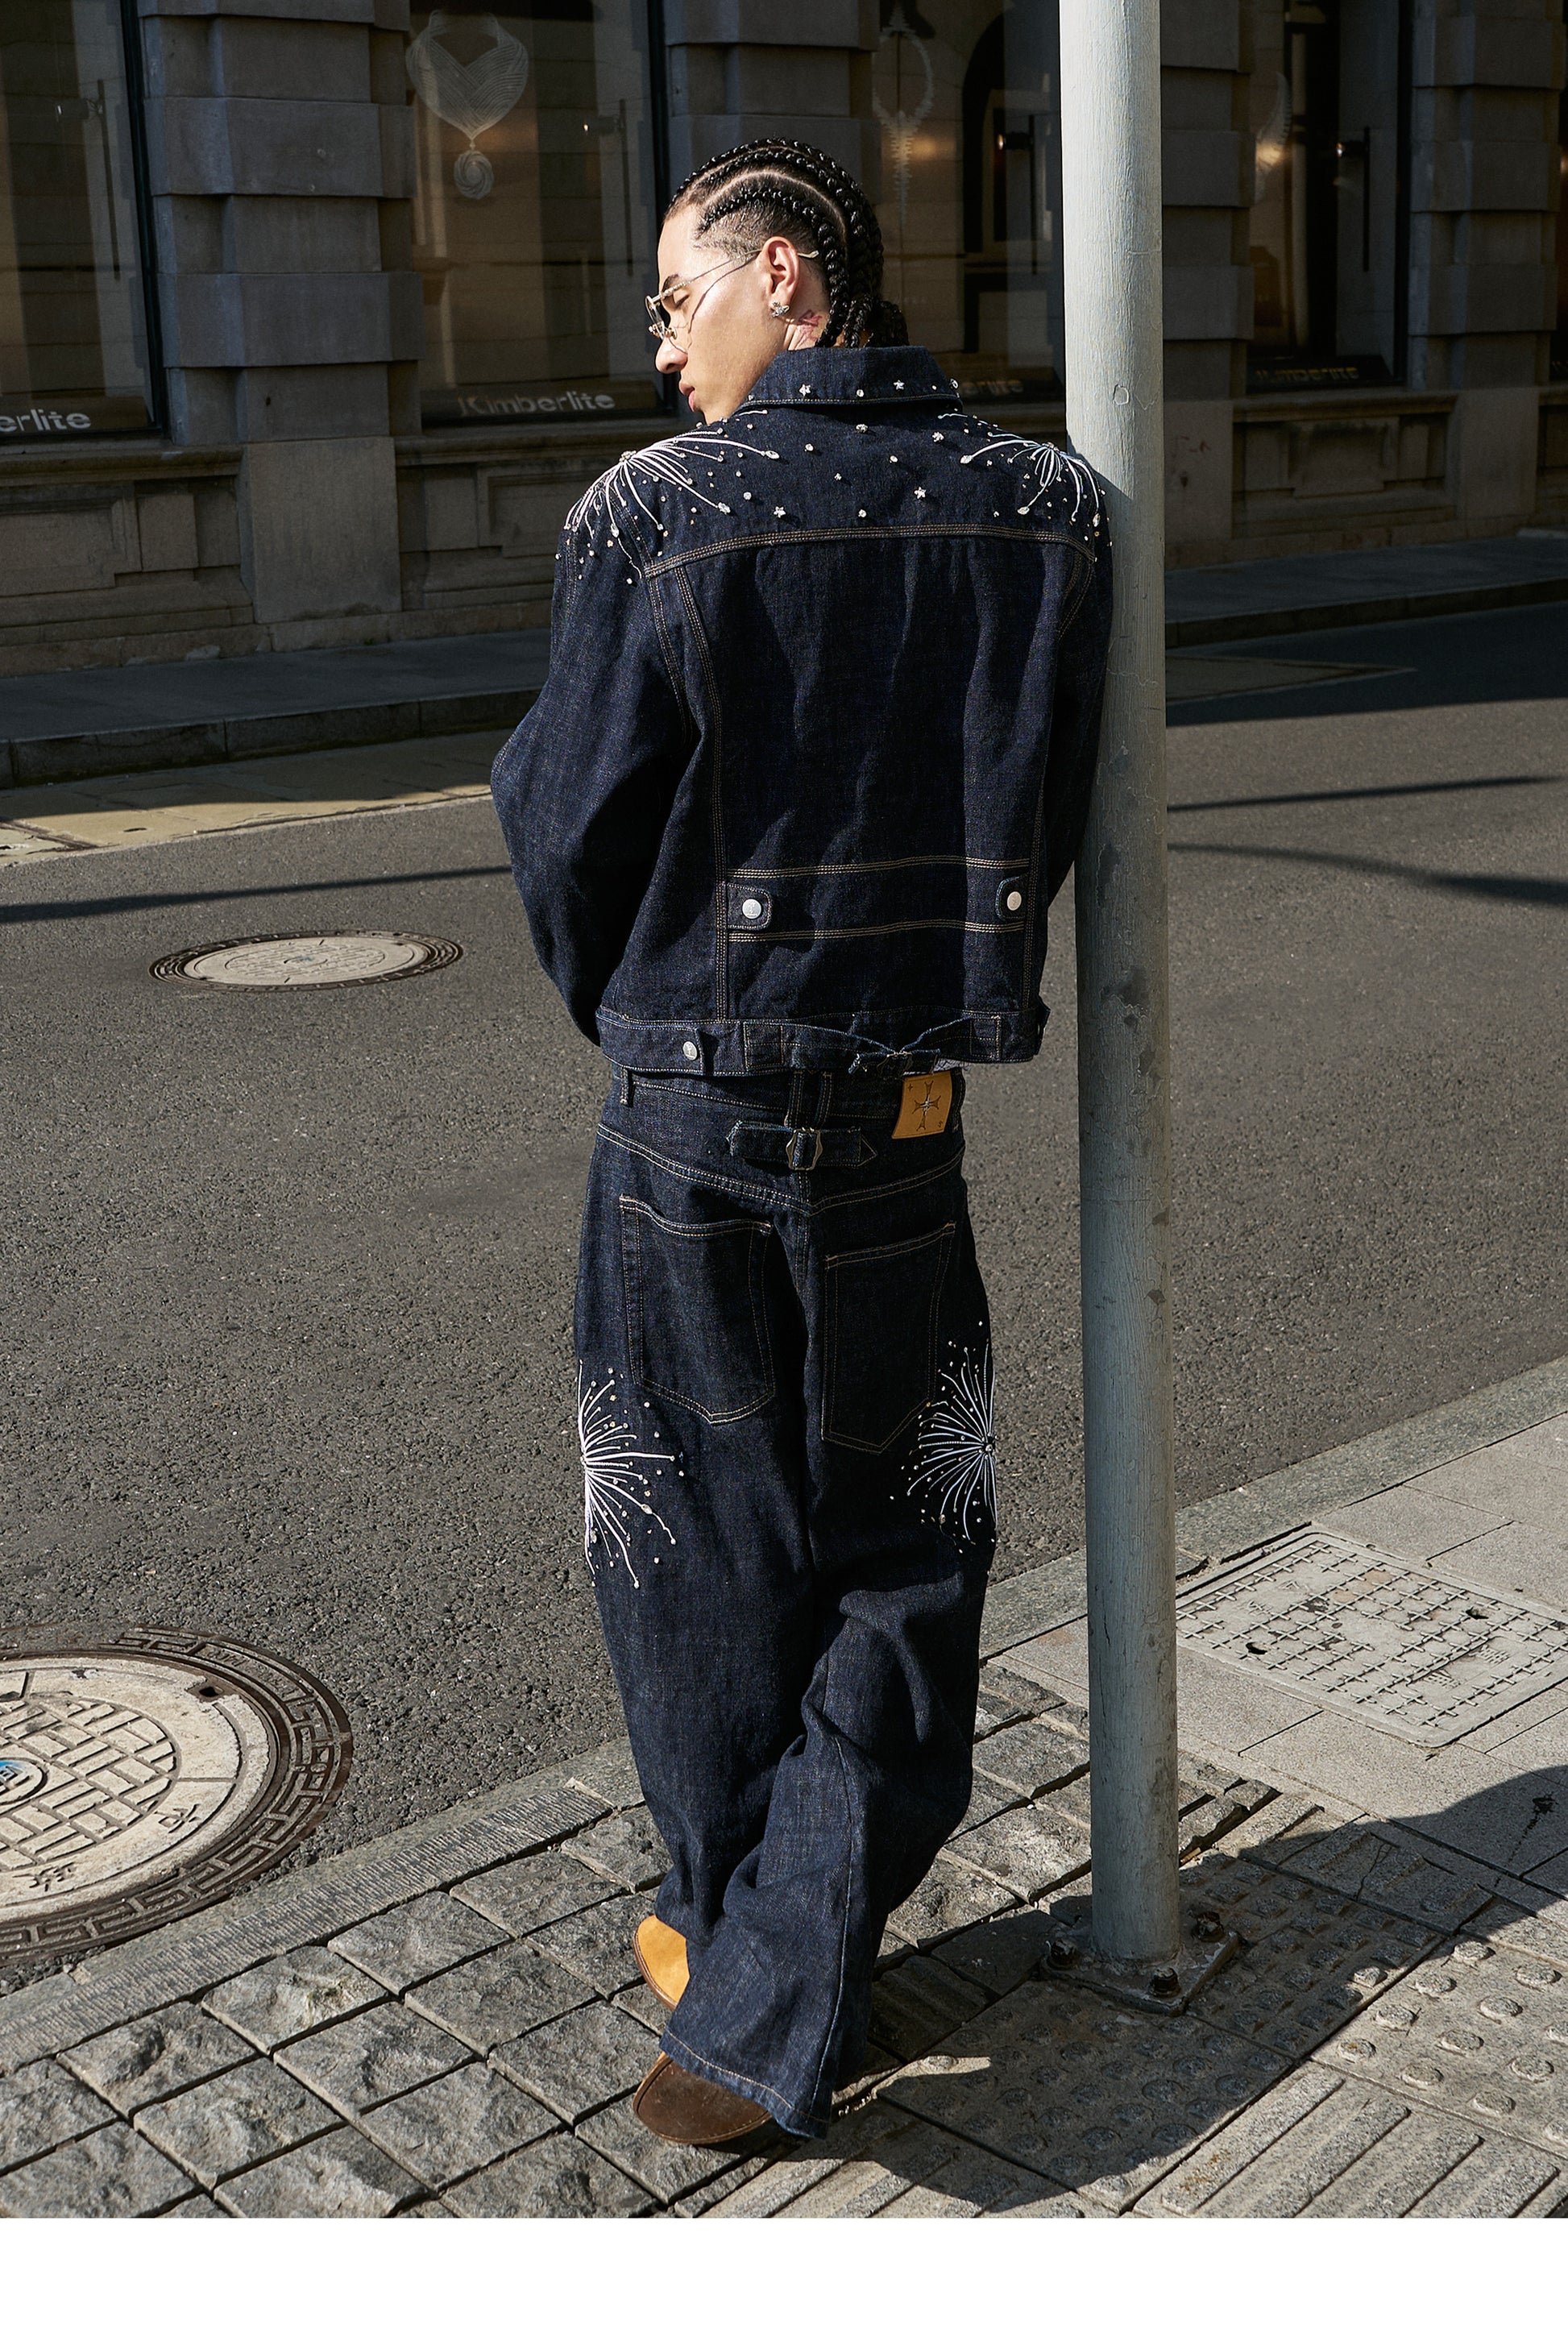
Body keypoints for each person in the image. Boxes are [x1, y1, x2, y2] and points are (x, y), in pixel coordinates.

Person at [492, 139, 1111, 2148]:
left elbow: (566, 832)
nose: (662, 350)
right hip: (906, 1126)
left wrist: (651, 1017)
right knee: (908, 1551)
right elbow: (1044, 811)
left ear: (784, 275)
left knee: (690, 1553)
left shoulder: (649, 515)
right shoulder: (1049, 510)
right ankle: (771, 1948)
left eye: (680, 301)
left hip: (688, 1115)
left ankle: (738, 1965)